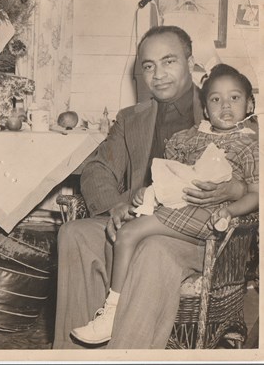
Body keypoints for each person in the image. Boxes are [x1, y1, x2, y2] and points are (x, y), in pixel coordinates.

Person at [53, 26, 250, 349]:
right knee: (74, 234)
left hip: (199, 232)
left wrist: (236, 190)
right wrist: (115, 205)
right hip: (139, 217)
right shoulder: (132, 118)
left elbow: (252, 169)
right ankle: (72, 355)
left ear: (190, 62)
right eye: (148, 65)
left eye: (168, 61)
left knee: (153, 250)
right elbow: (97, 169)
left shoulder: (221, 105)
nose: (158, 75)